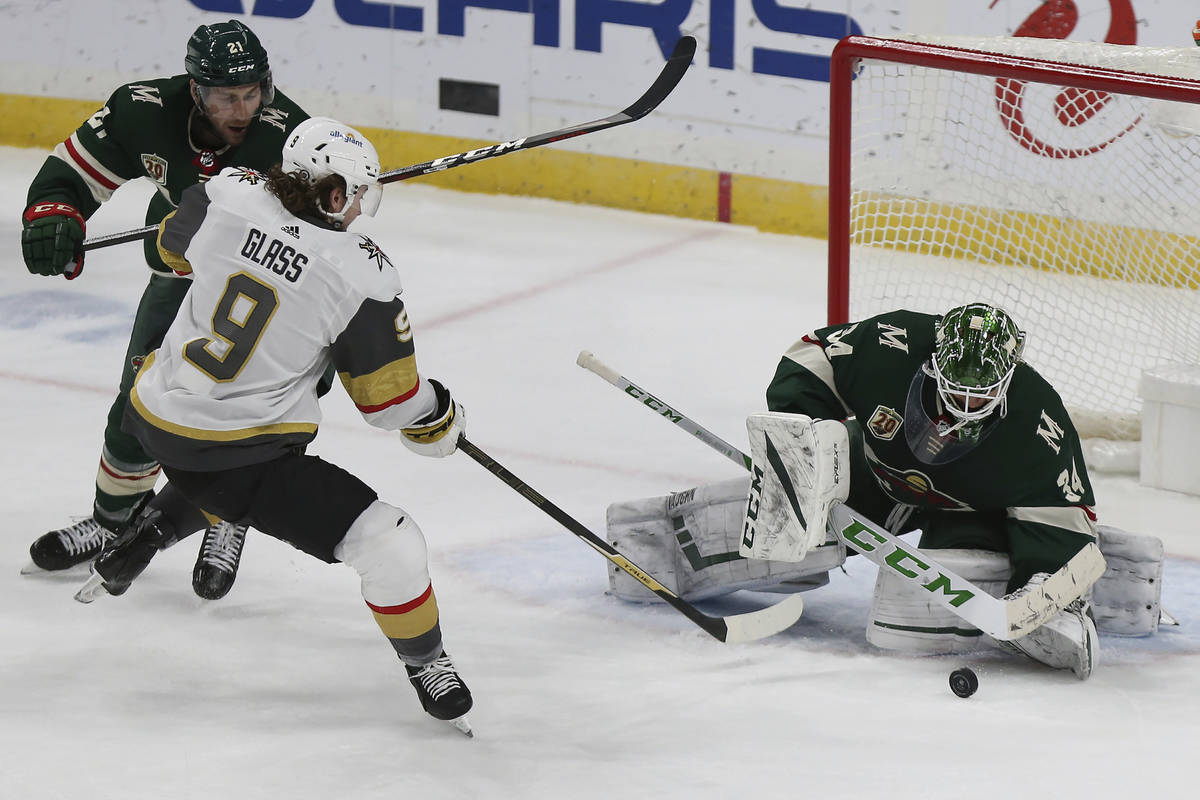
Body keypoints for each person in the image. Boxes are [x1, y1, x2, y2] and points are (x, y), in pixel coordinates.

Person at [74, 117, 475, 734]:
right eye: (359, 196)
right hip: (234, 458)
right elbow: (389, 406)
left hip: (153, 412)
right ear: (337, 194)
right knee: (389, 542)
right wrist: (438, 414)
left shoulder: (224, 192)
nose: (362, 211)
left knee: (240, 449)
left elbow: (168, 249)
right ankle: (428, 663)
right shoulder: (362, 273)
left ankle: (152, 528)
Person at [20, 20, 309, 599]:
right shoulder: (142, 110)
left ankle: (228, 515)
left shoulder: (292, 138)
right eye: (228, 96)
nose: (244, 108)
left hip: (266, 290)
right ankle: (112, 523)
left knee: (251, 410)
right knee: (141, 395)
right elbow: (74, 172)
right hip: (181, 276)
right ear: (196, 90)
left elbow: (323, 248)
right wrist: (55, 209)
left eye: (253, 92)